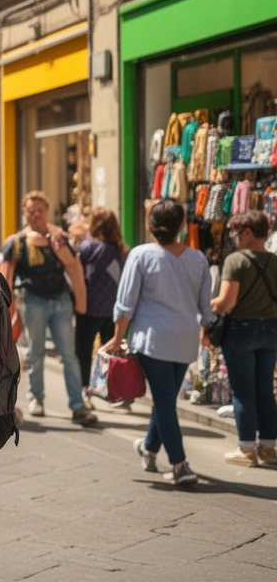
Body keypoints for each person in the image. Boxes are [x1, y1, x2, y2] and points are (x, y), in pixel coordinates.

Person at [104, 199, 209, 486]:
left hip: (153, 339)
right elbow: (205, 307)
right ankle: (150, 451)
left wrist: (116, 338)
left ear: (151, 225)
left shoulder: (141, 255)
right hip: (185, 340)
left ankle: (178, 463)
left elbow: (126, 303)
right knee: (166, 400)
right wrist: (208, 331)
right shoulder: (198, 259)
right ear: (182, 226)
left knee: (164, 401)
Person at [0, 191, 96, 424]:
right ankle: (36, 399)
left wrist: (81, 304)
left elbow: (74, 267)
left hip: (61, 301)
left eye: (40, 210)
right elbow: (5, 277)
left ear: (47, 211)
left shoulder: (59, 238)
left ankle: (77, 405)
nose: (35, 215)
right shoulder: (16, 242)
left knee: (69, 355)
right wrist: (6, 311)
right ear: (24, 212)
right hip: (33, 302)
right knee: (36, 353)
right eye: (31, 210)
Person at [208, 210, 277, 467]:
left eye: (236, 233)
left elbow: (227, 302)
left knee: (243, 393)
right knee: (266, 392)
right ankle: (269, 448)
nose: (234, 239)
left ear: (247, 232)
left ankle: (247, 449)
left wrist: (211, 305)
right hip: (270, 330)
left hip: (241, 330)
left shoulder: (236, 261)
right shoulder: (275, 261)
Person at [77, 208, 129, 410]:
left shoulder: (88, 247)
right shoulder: (123, 250)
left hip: (89, 309)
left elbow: (77, 274)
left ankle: (84, 391)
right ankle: (117, 393)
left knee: (83, 351)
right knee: (113, 353)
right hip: (114, 312)